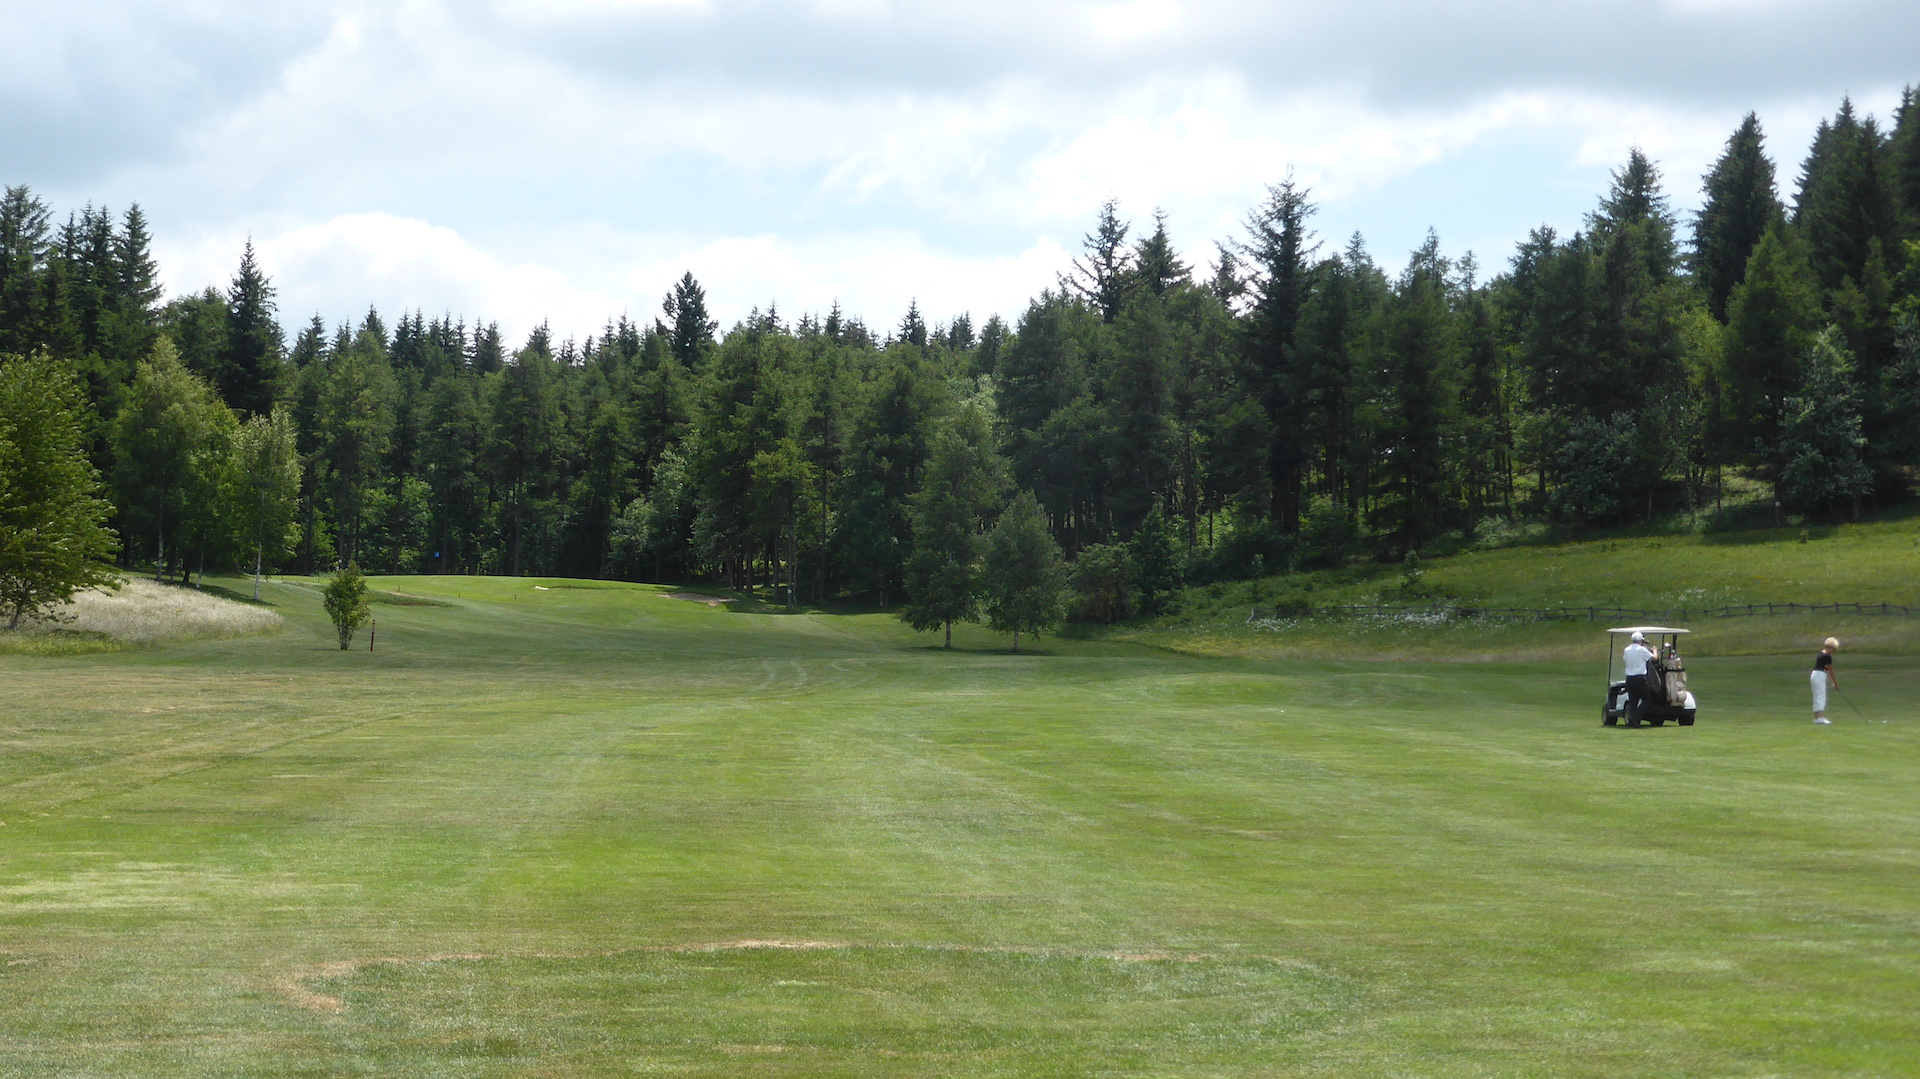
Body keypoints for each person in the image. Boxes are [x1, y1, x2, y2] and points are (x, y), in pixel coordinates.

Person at [1622, 631, 1656, 722]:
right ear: (1640, 640)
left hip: (1629, 678)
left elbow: (1626, 659)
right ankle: (1635, 718)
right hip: (1639, 678)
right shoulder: (1642, 649)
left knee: (1633, 700)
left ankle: (1632, 721)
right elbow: (1654, 658)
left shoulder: (1626, 649)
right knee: (1647, 699)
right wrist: (1655, 651)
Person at [1811, 637, 1839, 725]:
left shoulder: (1820, 654)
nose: (1834, 652)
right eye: (1834, 650)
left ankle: (1816, 717)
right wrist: (1835, 683)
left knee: (1816, 696)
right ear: (1830, 647)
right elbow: (1830, 670)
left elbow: (1826, 669)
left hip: (1814, 675)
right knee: (1821, 696)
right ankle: (1820, 717)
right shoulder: (1827, 656)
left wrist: (1831, 682)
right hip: (1819, 676)